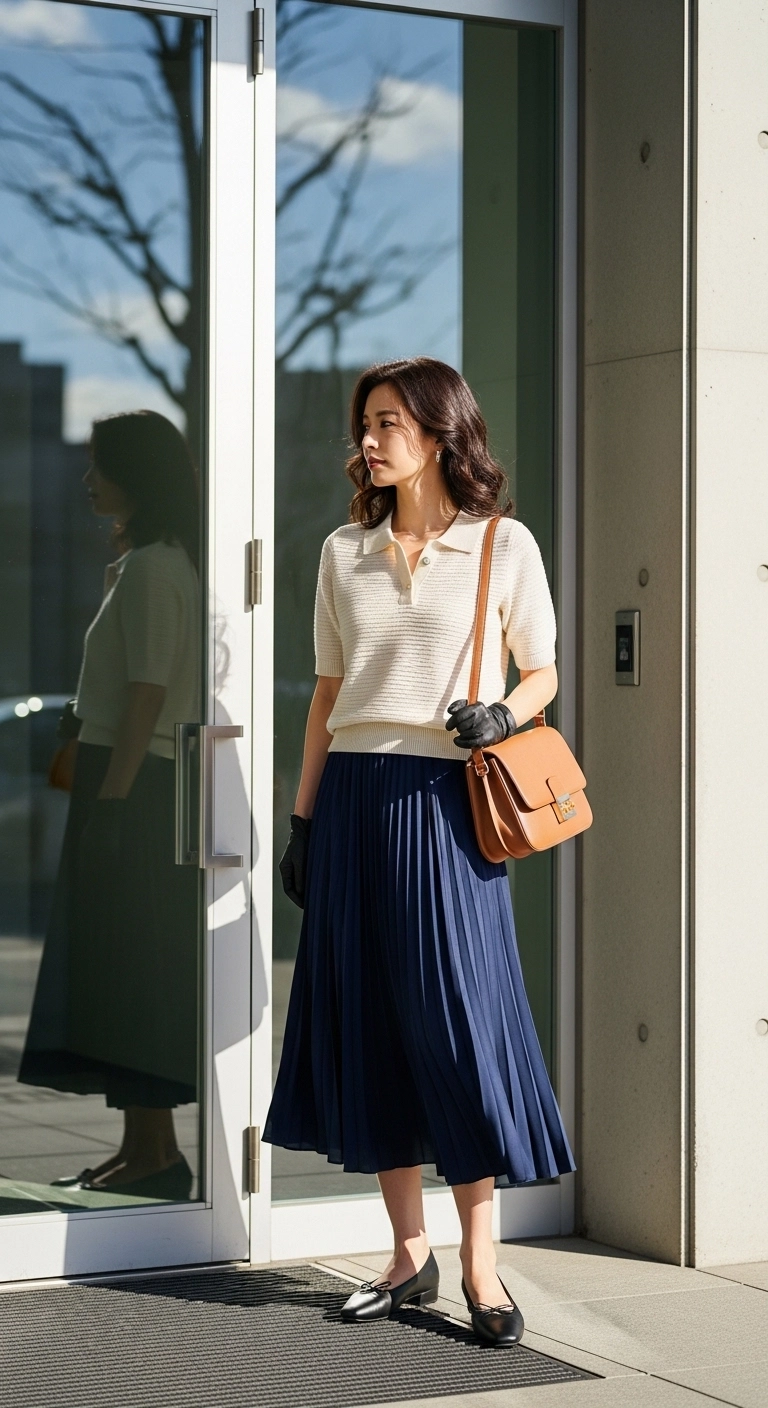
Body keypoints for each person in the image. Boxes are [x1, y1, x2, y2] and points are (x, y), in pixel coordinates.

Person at [265, 357, 575, 1347]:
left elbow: (545, 670)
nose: (368, 438)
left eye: (389, 421)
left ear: (440, 432)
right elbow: (325, 694)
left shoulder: (501, 543)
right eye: (364, 423)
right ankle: (408, 1257)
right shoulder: (341, 552)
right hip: (354, 797)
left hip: (447, 800)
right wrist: (305, 821)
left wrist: (501, 713)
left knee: (459, 1030)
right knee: (371, 1026)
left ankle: (482, 1267)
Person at [19, 409, 200, 1202]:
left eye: (100, 464)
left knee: (134, 975)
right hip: (123, 776)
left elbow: (150, 692)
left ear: (136, 471)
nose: (88, 479)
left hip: (141, 783)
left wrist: (116, 806)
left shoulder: (159, 566)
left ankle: (156, 1153)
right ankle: (143, 1149)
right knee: (119, 976)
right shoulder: (138, 564)